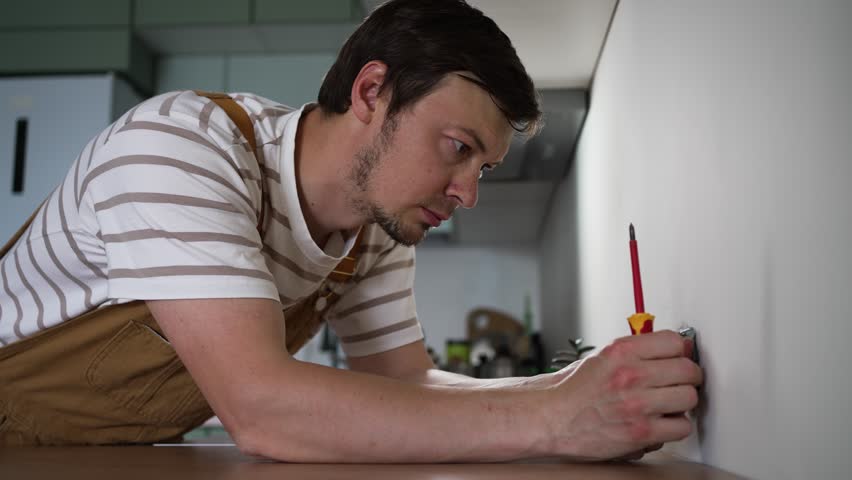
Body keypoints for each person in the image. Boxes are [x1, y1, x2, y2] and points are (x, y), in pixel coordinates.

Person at [0, 0, 702, 461]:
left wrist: (570, 389)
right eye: (458, 148)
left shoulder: (374, 234)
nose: (468, 193)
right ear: (372, 93)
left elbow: (407, 385)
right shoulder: (180, 151)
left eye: (483, 169)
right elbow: (261, 409)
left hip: (103, 456)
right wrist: (556, 420)